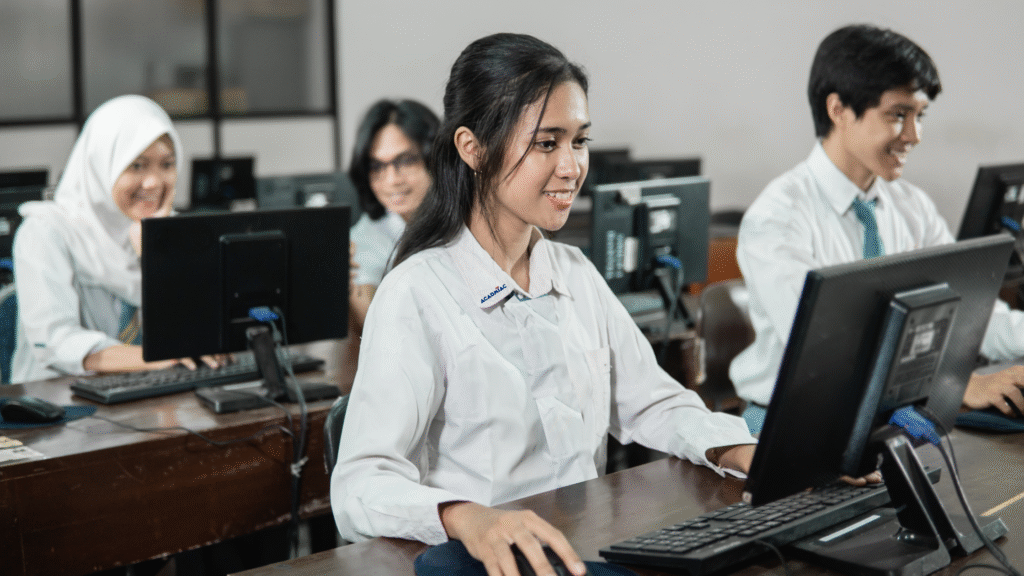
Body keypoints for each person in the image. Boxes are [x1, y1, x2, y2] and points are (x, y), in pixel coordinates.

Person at [331, 33, 757, 576]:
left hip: (582, 547)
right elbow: (358, 484)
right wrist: (467, 518)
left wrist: (734, 449)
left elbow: (650, 403)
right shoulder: (416, 292)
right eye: (546, 143)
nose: (571, 167)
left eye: (579, 141)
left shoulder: (573, 272)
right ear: (472, 148)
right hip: (488, 563)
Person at [731, 24, 1024, 434]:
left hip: (887, 415)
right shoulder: (777, 218)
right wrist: (954, 385)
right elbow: (828, 354)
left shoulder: (911, 206)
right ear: (838, 110)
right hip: (793, 427)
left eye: (919, 116)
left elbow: (968, 313)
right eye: (897, 116)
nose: (914, 135)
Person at [11, 94, 220, 383]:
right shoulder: (46, 232)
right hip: (56, 404)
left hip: (147, 396)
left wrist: (156, 255)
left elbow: (194, 330)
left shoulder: (170, 229)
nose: (154, 182)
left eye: (167, 164)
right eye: (137, 165)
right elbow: (56, 343)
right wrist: (155, 357)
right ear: (100, 164)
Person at [347, 99, 439, 332]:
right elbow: (370, 319)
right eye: (377, 166)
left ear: (435, 158)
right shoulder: (369, 233)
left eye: (406, 161)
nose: (392, 180)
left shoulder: (471, 219)